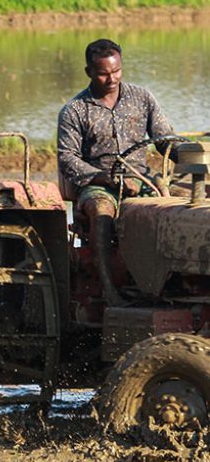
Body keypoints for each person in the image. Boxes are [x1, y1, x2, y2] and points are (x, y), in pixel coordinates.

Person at [57, 38, 176, 307]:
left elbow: (165, 140)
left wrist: (189, 154)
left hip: (140, 181)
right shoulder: (75, 111)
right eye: (103, 73)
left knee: (177, 207)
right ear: (88, 72)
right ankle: (110, 291)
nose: (112, 79)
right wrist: (103, 178)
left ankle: (165, 285)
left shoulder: (142, 98)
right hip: (98, 185)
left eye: (116, 71)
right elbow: (67, 158)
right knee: (101, 213)